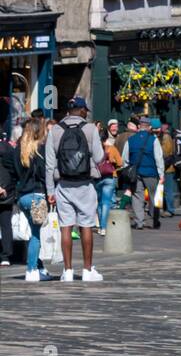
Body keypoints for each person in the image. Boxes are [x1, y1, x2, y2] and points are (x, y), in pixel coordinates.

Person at [45, 96, 105, 283]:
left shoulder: (55, 130)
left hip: (63, 184)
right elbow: (99, 156)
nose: (86, 112)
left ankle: (68, 271)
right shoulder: (89, 129)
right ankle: (87, 270)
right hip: (85, 184)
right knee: (86, 225)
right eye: (85, 110)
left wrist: (50, 191)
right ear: (80, 110)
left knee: (66, 226)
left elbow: (49, 164)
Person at [17, 116, 52, 282]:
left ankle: (38, 267)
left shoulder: (19, 149)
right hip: (37, 195)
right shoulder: (41, 150)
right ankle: (31, 270)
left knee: (33, 232)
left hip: (22, 196)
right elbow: (45, 175)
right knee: (36, 235)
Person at [122, 116, 165, 230]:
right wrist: (161, 174)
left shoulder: (130, 140)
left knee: (137, 197)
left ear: (139, 126)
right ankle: (153, 221)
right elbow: (159, 158)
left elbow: (125, 159)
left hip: (136, 174)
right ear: (149, 127)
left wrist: (128, 171)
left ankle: (139, 221)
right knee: (154, 197)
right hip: (151, 173)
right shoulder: (154, 140)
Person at [96, 122, 122, 235]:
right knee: (106, 202)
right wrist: (114, 165)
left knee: (99, 202)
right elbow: (121, 163)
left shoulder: (95, 149)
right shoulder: (112, 148)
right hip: (110, 177)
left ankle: (100, 224)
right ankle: (103, 227)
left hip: (97, 177)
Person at [0, 130, 17, 268]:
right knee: (6, 224)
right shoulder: (9, 149)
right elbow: (14, 170)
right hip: (7, 192)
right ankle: (5, 255)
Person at [156, 120, 177, 216]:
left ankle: (170, 209)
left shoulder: (166, 137)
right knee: (161, 189)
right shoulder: (162, 136)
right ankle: (161, 208)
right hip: (163, 167)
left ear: (165, 126)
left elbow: (166, 152)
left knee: (168, 190)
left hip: (167, 168)